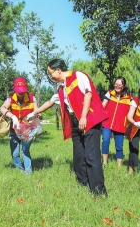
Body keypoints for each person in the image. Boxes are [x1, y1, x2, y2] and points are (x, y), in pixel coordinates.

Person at [27, 58, 108, 197]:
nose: (50, 76)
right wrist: (34, 112)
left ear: (58, 70)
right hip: (75, 122)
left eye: (51, 72)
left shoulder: (78, 76)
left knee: (91, 156)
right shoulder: (61, 88)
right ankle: (83, 183)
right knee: (79, 155)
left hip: (88, 119)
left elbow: (88, 94)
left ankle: (99, 191)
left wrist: (83, 117)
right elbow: (50, 102)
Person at [0, 77, 38, 175]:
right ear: (14, 89)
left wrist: (35, 114)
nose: (21, 94)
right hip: (14, 130)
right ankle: (20, 170)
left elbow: (37, 111)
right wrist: (12, 117)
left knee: (25, 150)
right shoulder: (11, 99)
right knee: (15, 153)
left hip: (27, 131)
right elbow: (2, 108)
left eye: (23, 91)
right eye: (19, 91)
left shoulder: (32, 98)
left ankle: (28, 172)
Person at [101, 76, 132, 167]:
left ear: (124, 86)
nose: (117, 86)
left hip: (120, 125)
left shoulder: (129, 98)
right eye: (116, 84)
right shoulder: (110, 94)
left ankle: (119, 166)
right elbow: (102, 107)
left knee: (119, 146)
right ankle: (104, 163)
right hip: (107, 123)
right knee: (105, 141)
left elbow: (131, 112)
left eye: (120, 84)